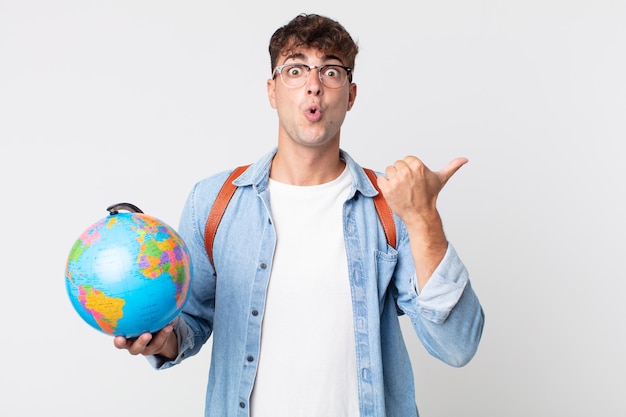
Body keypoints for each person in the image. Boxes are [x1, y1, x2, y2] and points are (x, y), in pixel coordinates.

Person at [114, 13, 484, 417]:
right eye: (295, 70)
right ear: (272, 91)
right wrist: (157, 336)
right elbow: (188, 324)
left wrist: (424, 217)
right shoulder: (215, 202)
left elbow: (457, 346)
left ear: (351, 94)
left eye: (330, 71)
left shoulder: (391, 206)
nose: (313, 85)